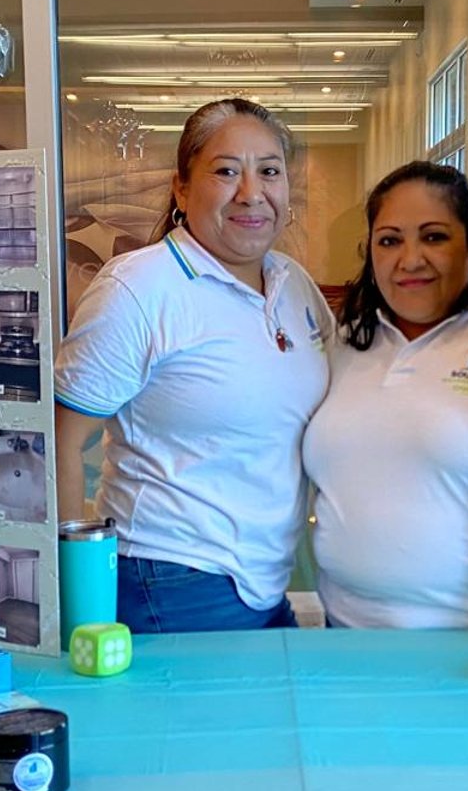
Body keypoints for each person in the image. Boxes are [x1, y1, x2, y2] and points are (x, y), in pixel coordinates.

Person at [54, 98, 331, 633]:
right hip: (170, 579)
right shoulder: (139, 288)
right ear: (181, 189)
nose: (251, 192)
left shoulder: (293, 284)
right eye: (226, 172)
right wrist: (77, 606)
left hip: (265, 579)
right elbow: (60, 443)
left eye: (269, 171)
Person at [304, 161, 468, 628]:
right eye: (390, 241)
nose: (410, 259)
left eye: (434, 237)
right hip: (343, 635)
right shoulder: (345, 343)